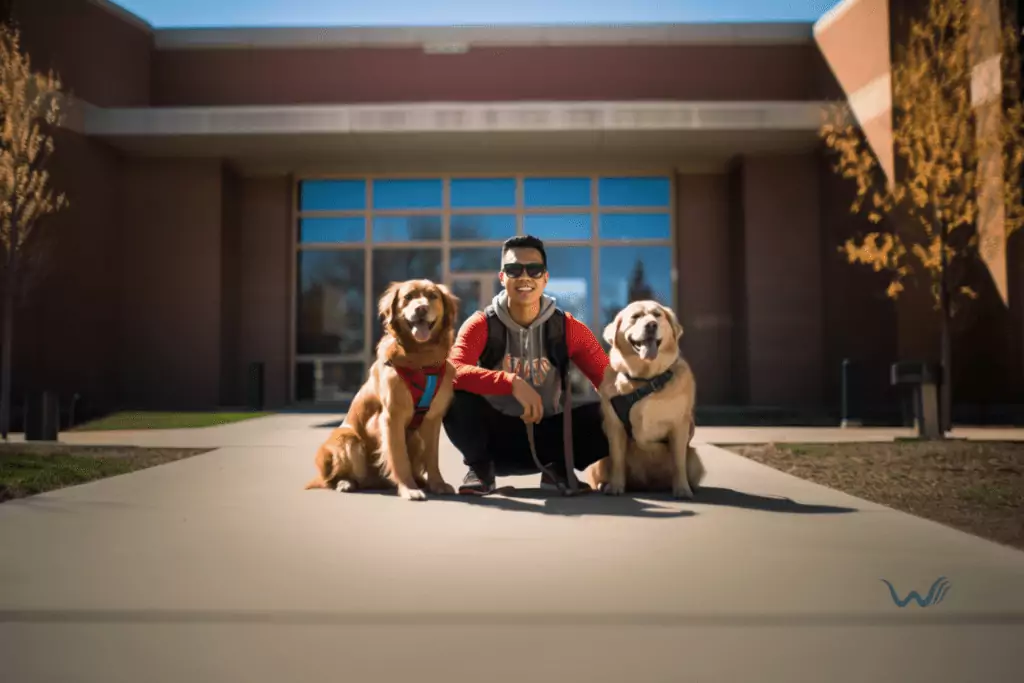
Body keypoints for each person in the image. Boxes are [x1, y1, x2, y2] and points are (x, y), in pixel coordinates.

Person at [443, 234, 611, 495]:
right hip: (493, 440)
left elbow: (611, 382)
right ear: (502, 277)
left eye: (534, 270)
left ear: (545, 278)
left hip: (550, 441)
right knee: (452, 394)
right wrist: (510, 383)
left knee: (617, 410)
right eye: (513, 269)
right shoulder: (481, 324)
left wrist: (671, 417)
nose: (525, 277)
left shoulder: (568, 328)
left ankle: (558, 470)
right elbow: (453, 372)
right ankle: (480, 470)